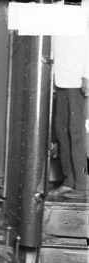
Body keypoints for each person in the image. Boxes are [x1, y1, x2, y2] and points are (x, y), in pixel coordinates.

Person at [48, 4, 89, 199]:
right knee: (62, 130)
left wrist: (88, 74)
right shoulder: (56, 6)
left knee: (78, 132)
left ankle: (83, 185)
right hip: (61, 77)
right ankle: (69, 180)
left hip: (79, 78)